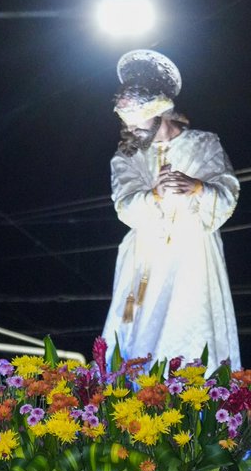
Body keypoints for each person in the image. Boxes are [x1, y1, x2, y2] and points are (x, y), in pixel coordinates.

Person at [101, 48, 241, 369]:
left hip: (194, 256)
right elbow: (124, 205)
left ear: (160, 112)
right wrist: (155, 195)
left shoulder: (204, 144)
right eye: (128, 124)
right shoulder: (127, 157)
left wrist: (197, 187)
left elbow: (228, 194)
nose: (132, 131)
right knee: (133, 324)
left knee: (189, 327)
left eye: (138, 123)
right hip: (145, 260)